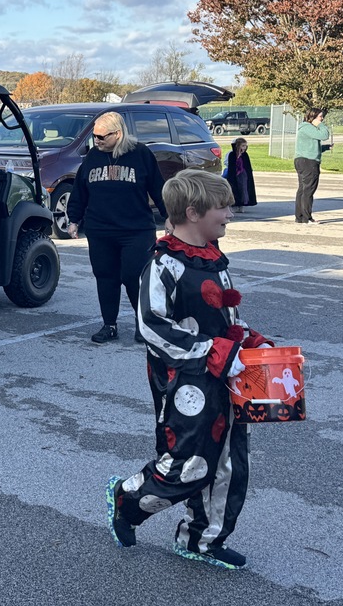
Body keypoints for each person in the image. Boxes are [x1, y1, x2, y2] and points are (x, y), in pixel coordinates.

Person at [106, 170, 272, 571]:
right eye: (224, 207)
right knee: (187, 463)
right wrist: (212, 350)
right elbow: (152, 324)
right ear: (194, 212)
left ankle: (201, 538)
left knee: (229, 462)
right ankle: (129, 499)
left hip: (227, 377)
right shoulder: (164, 263)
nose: (231, 214)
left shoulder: (214, 259)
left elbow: (225, 315)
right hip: (186, 381)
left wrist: (247, 340)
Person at [66, 111, 167, 344]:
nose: (97, 141)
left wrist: (169, 216)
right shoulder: (93, 156)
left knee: (133, 276)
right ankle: (109, 325)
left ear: (118, 134)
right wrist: (74, 219)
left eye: (101, 137)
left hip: (136, 229)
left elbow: (158, 188)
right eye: (95, 136)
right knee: (105, 277)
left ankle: (143, 325)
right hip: (100, 229)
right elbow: (80, 190)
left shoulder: (140, 154)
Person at [294, 108, 330, 225]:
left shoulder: (305, 128)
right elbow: (324, 135)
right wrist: (320, 124)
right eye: (320, 116)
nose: (322, 118)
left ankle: (299, 217)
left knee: (303, 189)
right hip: (309, 162)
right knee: (308, 190)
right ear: (313, 117)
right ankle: (307, 218)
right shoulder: (308, 127)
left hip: (302, 160)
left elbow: (310, 145)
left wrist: (326, 148)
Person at [224, 137, 256, 213]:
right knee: (234, 189)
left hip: (243, 175)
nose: (245, 147)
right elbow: (231, 166)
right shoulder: (232, 154)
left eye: (245, 146)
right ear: (238, 145)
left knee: (243, 189)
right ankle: (234, 205)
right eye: (243, 145)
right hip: (235, 175)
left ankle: (241, 204)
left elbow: (247, 166)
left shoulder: (245, 155)